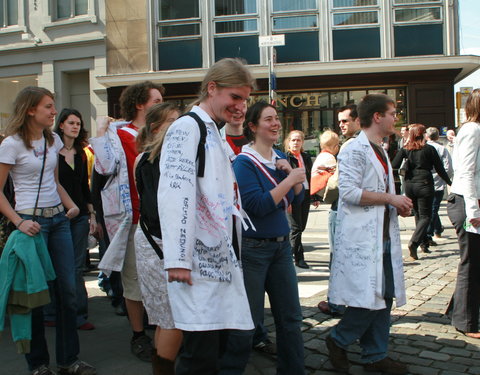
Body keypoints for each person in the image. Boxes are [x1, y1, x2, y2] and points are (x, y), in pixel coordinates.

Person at [157, 58, 255, 375]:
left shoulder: (213, 131)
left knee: (217, 347)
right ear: (212, 89)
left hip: (216, 260)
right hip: (196, 262)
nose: (241, 106)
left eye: (245, 99)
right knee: (200, 355)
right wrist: (177, 259)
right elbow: (174, 194)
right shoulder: (189, 128)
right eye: (235, 97)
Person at [0, 86, 95, 375]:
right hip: (31, 224)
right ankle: (38, 364)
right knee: (37, 295)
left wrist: (71, 206)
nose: (54, 112)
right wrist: (18, 221)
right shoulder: (12, 144)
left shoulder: (51, 140)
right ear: (30, 109)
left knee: (68, 292)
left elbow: (54, 182)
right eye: (48, 106)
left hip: (59, 220)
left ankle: (69, 360)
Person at [326, 93, 412, 374]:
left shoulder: (381, 148)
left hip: (382, 236)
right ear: (377, 117)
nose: (394, 117)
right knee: (369, 299)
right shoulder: (354, 149)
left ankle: (375, 354)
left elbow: (381, 189)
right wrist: (390, 199)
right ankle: (338, 339)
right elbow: (348, 193)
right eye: (391, 113)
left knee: (384, 296)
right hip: (364, 239)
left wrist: (397, 204)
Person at [90, 81, 164, 362]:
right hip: (133, 219)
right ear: (139, 104)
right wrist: (101, 133)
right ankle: (137, 334)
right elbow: (104, 168)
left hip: (162, 221)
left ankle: (160, 329)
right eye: (155, 100)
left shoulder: (162, 135)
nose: (160, 104)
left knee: (160, 279)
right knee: (133, 281)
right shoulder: (120, 135)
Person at [232, 101, 306, 374]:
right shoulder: (244, 162)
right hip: (253, 250)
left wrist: (291, 176)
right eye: (268, 119)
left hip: (281, 247)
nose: (276, 124)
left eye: (276, 119)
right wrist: (289, 180)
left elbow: (297, 197)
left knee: (290, 318)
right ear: (253, 126)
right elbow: (258, 205)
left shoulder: (277, 156)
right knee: (247, 321)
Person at [133, 102, 182, 374]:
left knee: (169, 317)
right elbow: (154, 210)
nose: (179, 127)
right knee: (171, 317)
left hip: (160, 241)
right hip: (159, 243)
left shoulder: (157, 157)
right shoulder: (151, 159)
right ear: (155, 128)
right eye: (172, 121)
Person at [46, 108, 97, 331]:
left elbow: (85, 187)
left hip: (79, 217)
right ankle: (51, 312)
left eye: (78, 123)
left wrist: (92, 214)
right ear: (61, 125)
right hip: (57, 215)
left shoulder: (81, 153)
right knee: (54, 266)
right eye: (71, 123)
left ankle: (79, 315)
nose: (75, 126)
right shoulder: (52, 153)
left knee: (75, 266)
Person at [317, 105, 359, 317]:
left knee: (338, 256)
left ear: (358, 120)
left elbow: (337, 183)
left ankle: (335, 302)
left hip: (341, 206)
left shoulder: (351, 145)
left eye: (345, 120)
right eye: (340, 121)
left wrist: (325, 195)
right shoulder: (367, 142)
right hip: (354, 208)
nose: (341, 124)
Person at [446, 88, 480, 339]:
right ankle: (466, 321)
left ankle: (457, 311)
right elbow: (466, 172)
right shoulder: (472, 130)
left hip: (469, 201)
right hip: (467, 202)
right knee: (472, 263)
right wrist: (474, 211)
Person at [392, 124, 451, 260]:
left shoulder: (406, 149)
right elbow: (440, 169)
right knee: (426, 216)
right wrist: (450, 183)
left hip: (409, 185)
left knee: (418, 215)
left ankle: (423, 244)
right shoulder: (429, 149)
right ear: (422, 134)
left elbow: (394, 165)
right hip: (424, 184)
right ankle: (414, 242)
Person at [285, 130, 313, 269]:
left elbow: (311, 176)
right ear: (288, 142)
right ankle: (298, 258)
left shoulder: (305, 157)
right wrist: (287, 199)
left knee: (301, 227)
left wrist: (314, 197)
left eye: (298, 140)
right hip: (293, 196)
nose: (296, 143)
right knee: (295, 228)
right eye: (293, 140)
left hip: (306, 193)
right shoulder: (286, 158)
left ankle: (291, 254)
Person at [425, 127, 452, 244]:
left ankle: (431, 232)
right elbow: (448, 167)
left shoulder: (424, 148)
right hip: (438, 182)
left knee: (432, 208)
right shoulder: (442, 149)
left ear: (427, 136)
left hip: (426, 182)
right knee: (433, 208)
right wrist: (446, 179)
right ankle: (435, 230)